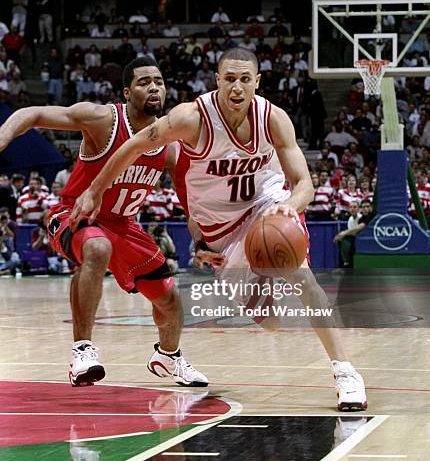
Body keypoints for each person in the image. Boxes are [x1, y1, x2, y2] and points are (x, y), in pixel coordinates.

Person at [71, 48, 367, 411]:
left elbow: (304, 183)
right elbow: (133, 146)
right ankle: (263, 281)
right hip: (223, 235)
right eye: (230, 79)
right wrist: (94, 191)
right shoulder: (190, 119)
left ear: (257, 82)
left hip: (266, 207)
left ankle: (345, 372)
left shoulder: (274, 119)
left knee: (303, 279)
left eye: (245, 79)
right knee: (271, 323)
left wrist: (290, 205)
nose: (237, 87)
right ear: (217, 81)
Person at [0, 56, 208, 388]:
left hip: (126, 226)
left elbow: (188, 199)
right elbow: (33, 114)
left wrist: (201, 242)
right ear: (127, 92)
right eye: (143, 82)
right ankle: (82, 351)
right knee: (97, 246)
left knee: (170, 301)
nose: (153, 86)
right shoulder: (102, 120)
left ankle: (169, 356)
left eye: (158, 81)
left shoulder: (171, 146)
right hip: (76, 214)